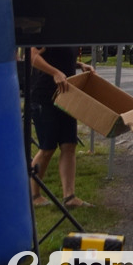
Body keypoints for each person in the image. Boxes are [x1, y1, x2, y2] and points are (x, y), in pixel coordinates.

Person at [28, 46, 96, 208]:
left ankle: (69, 197)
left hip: (66, 96)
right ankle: (33, 195)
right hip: (44, 96)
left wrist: (79, 66)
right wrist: (54, 72)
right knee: (47, 147)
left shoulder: (68, 33)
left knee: (69, 144)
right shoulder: (50, 31)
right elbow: (32, 56)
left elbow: (61, 57)